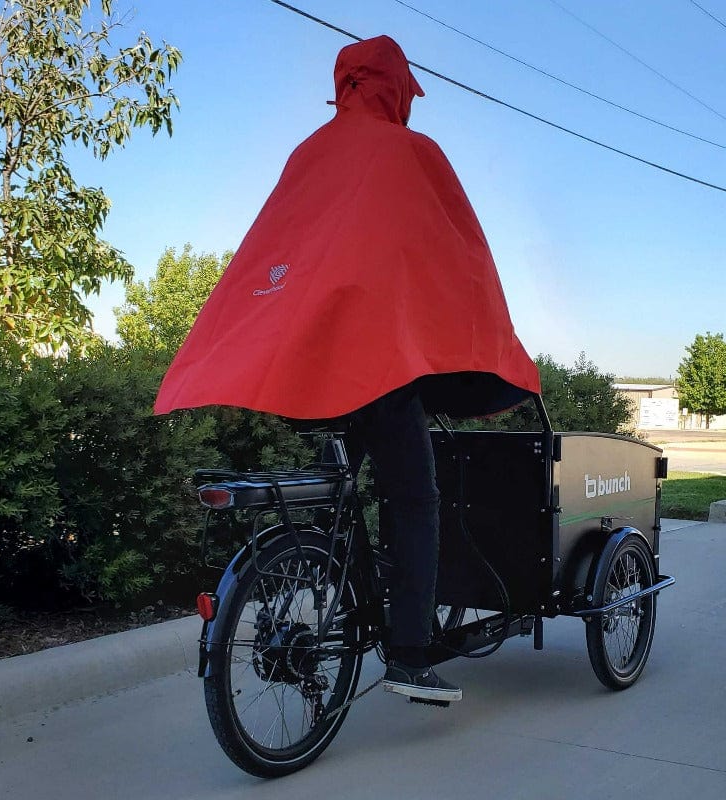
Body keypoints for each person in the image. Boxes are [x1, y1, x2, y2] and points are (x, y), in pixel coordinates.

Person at [155, 35, 540, 702]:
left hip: (312, 372)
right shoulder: (411, 155)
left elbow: (277, 253)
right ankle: (410, 653)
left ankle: (337, 578)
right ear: (395, 89)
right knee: (415, 500)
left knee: (345, 487)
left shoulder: (309, 153)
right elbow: (460, 261)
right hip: (380, 373)